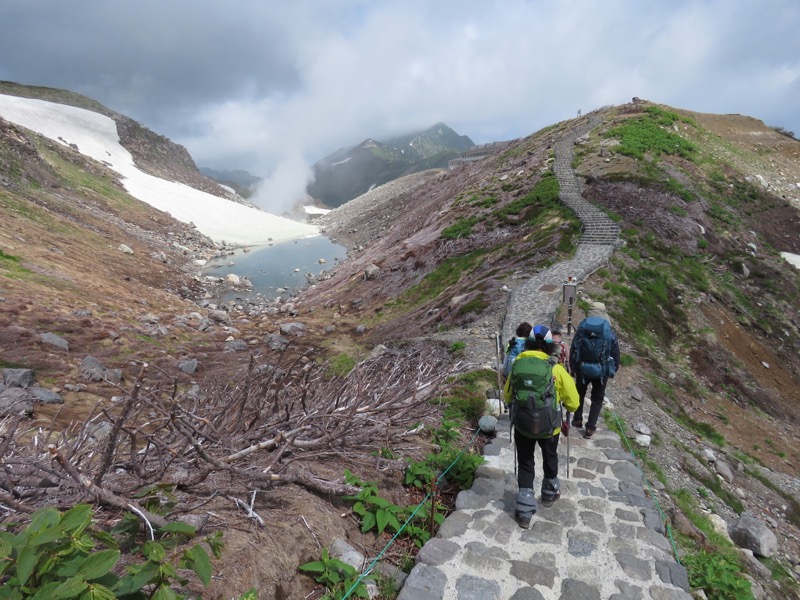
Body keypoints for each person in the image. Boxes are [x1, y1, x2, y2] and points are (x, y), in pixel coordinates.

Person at [504, 325, 579, 528]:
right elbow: (573, 402)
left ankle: (525, 509)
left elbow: (507, 395)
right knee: (550, 456)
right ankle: (548, 492)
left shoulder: (518, 365)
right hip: (549, 427)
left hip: (523, 425)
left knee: (526, 462)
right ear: (549, 345)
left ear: (527, 343)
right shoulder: (556, 368)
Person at [569, 303, 620, 439]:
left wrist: (573, 367)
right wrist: (612, 370)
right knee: (597, 398)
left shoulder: (582, 328)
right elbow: (615, 354)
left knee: (579, 393)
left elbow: (574, 348)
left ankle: (577, 420)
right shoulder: (608, 331)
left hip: (582, 368)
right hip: (601, 370)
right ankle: (590, 428)